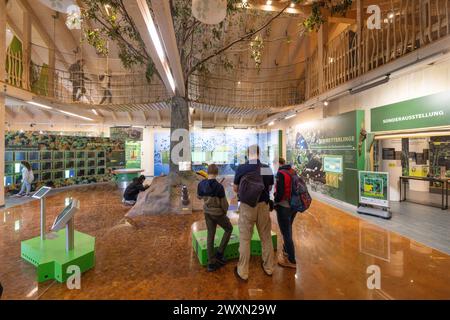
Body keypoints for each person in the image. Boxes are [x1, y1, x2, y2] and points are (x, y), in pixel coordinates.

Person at [233, 145, 274, 281]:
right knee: (266, 237)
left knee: (245, 239)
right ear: (258, 153)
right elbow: (269, 187)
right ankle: (269, 268)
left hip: (246, 207)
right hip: (263, 206)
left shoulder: (242, 168)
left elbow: (235, 188)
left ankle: (243, 272)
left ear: (247, 154)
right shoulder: (266, 168)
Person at [197, 164, 232, 272]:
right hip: (218, 214)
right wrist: (224, 213)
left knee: (210, 234)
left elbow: (199, 197)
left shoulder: (201, 184)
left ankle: (211, 263)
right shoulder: (219, 187)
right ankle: (220, 253)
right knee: (229, 228)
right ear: (217, 173)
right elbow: (224, 204)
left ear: (207, 172)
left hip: (207, 213)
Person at [274, 158, 298, 269]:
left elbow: (280, 193)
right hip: (294, 206)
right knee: (288, 228)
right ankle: (285, 250)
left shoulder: (280, 174)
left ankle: (291, 260)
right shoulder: (292, 171)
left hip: (284, 206)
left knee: (286, 232)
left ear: (278, 163)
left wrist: (275, 203)